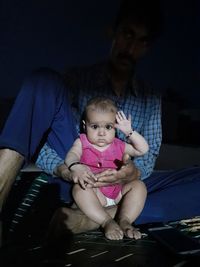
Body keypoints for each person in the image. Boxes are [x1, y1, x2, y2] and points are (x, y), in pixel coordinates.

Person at [0, 0, 200, 244]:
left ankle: (94, 218)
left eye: (141, 41)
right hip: (81, 175)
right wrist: (68, 169)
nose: (131, 46)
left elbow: (146, 160)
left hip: (126, 184)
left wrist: (130, 172)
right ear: (112, 32)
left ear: (147, 48)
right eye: (127, 34)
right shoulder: (77, 79)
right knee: (43, 81)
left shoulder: (150, 97)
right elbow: (47, 140)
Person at [65, 97, 148, 240]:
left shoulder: (119, 145)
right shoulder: (82, 142)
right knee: (79, 188)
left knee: (139, 186)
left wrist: (129, 132)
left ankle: (125, 220)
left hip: (118, 192)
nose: (102, 133)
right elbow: (71, 155)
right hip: (96, 193)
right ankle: (106, 221)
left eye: (108, 127)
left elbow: (143, 150)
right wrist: (75, 166)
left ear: (115, 127)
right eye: (95, 127)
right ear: (85, 126)